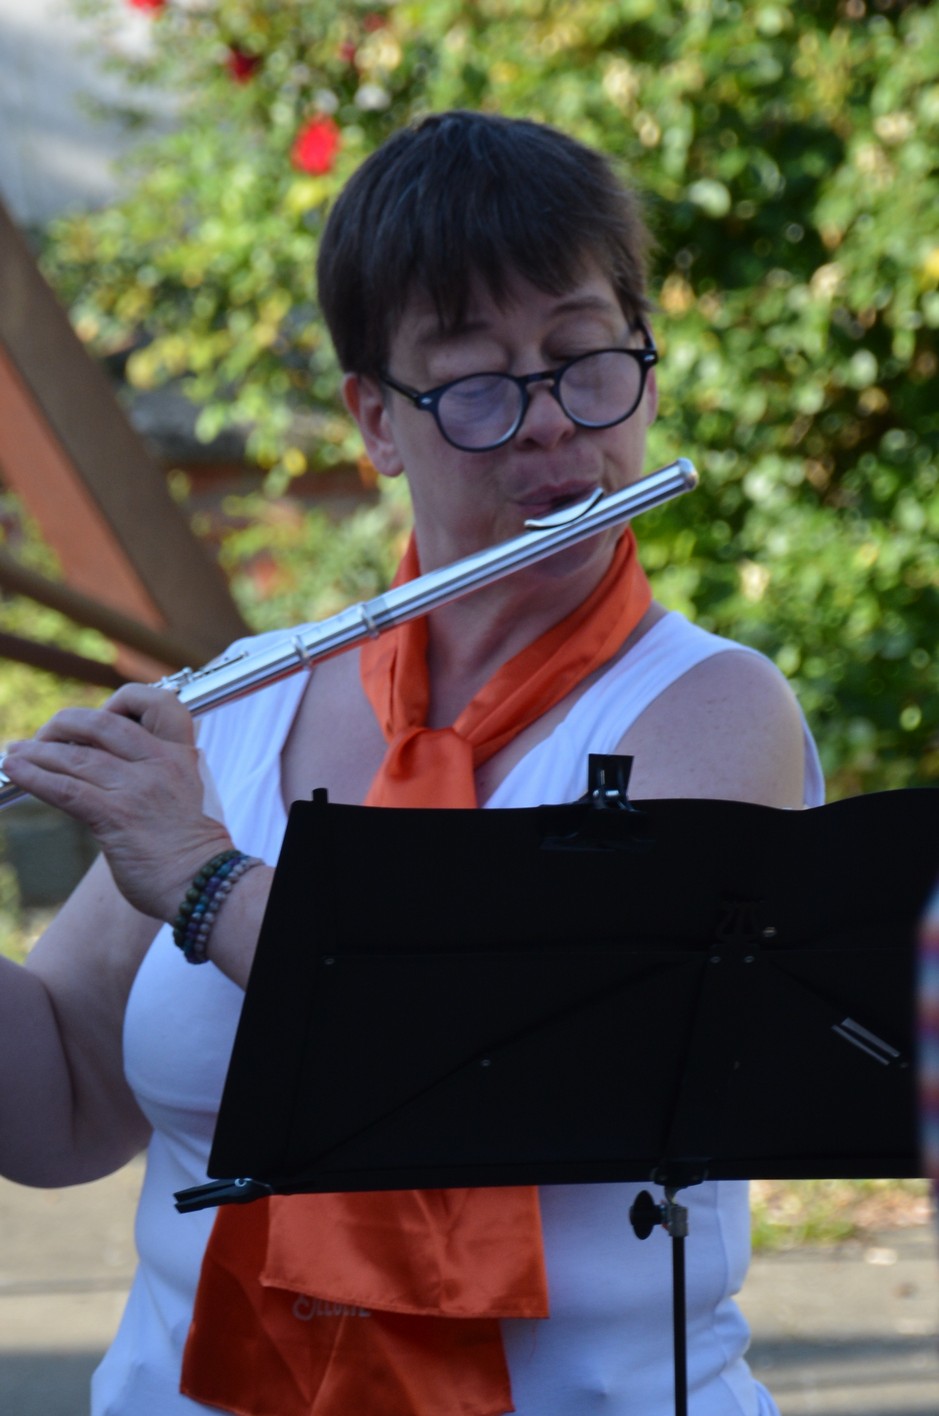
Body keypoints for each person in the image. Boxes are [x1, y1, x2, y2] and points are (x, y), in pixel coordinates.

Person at [0, 110, 823, 1416]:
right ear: (377, 421)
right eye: (478, 383)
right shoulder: (242, 704)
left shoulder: (711, 714)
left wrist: (205, 880)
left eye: (585, 359)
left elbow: (527, 1060)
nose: (550, 425)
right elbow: (57, 1110)